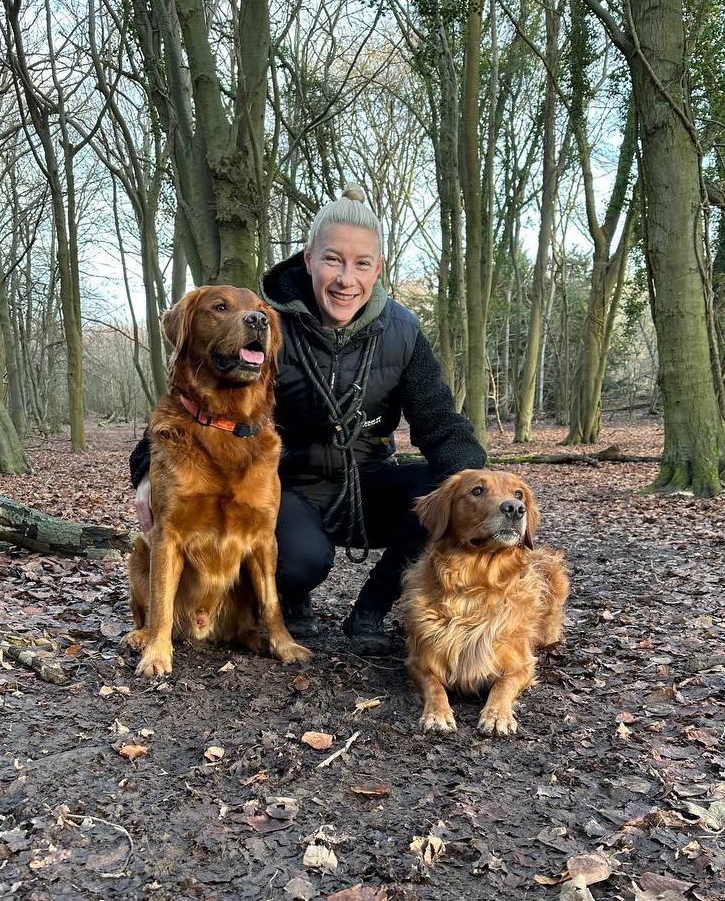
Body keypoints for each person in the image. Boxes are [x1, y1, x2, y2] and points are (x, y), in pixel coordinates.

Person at [130, 185, 486, 654]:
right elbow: (193, 407)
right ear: (309, 259)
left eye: (361, 264)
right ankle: (290, 601)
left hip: (369, 482)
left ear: (377, 270)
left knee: (444, 495)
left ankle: (372, 608)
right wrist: (144, 475)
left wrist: (478, 482)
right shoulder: (266, 324)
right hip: (292, 486)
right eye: (333, 260)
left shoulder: (403, 333)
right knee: (298, 557)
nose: (346, 279)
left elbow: (442, 423)